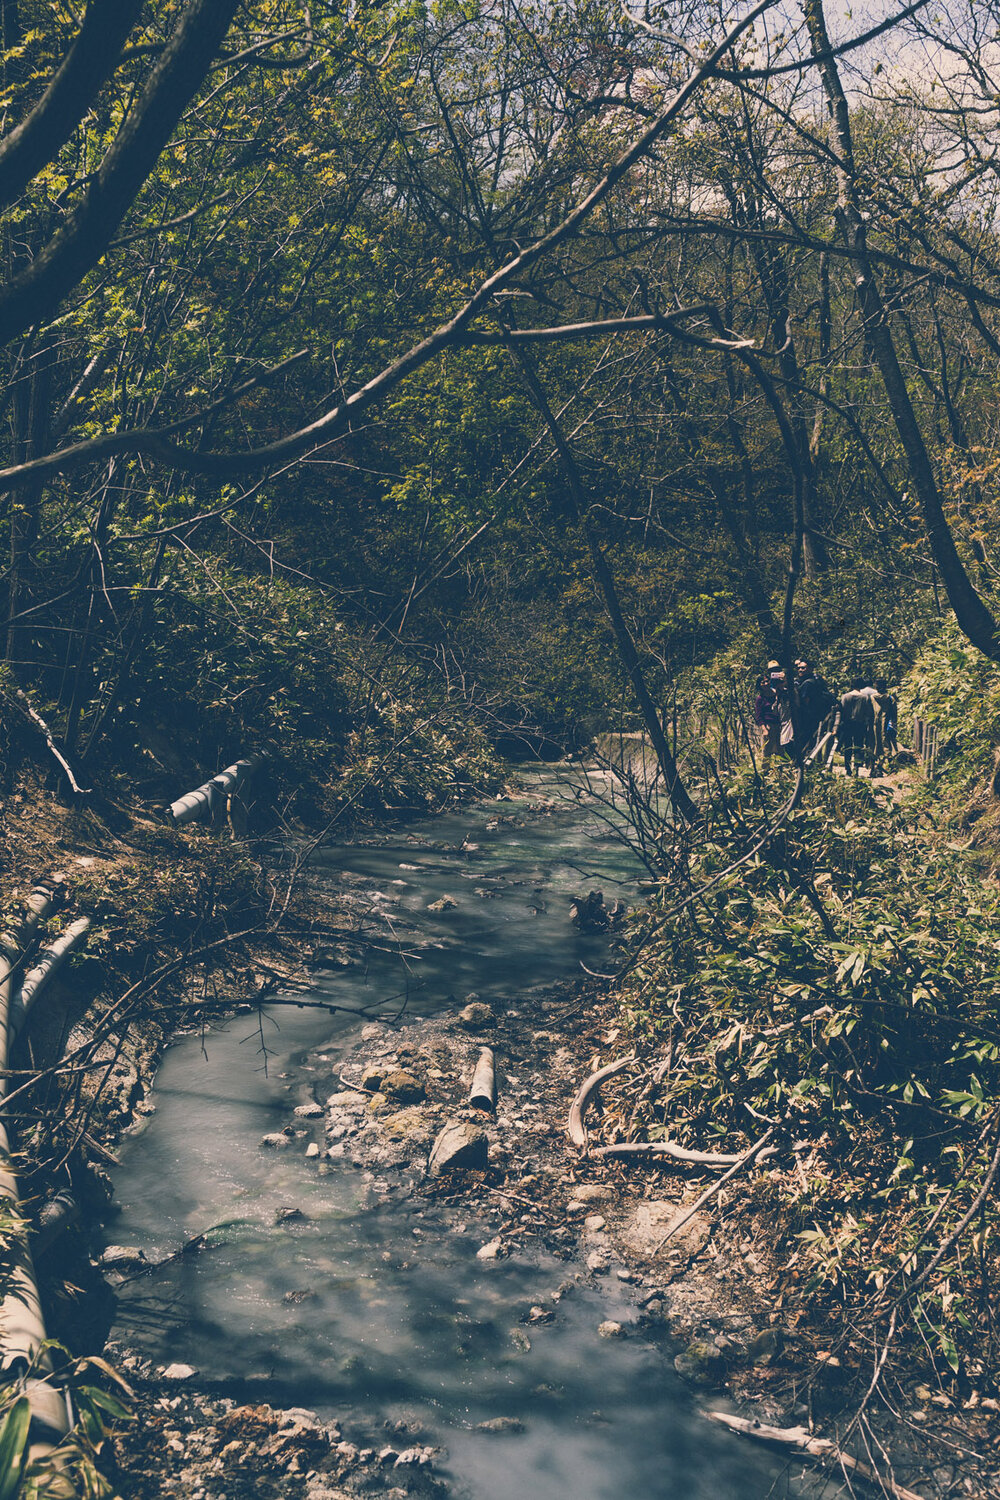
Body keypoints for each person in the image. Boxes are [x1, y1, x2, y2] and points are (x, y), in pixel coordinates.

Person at [835, 678, 877, 775]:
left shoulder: (845, 697)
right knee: (858, 745)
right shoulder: (865, 697)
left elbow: (842, 710)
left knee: (848, 745)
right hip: (860, 724)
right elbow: (868, 712)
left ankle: (847, 767)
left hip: (847, 724)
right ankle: (857, 767)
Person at [796, 659, 836, 754]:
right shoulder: (818, 680)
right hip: (817, 715)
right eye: (798, 668)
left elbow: (806, 701)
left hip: (807, 717)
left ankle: (804, 761)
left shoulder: (807, 683)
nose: (800, 670)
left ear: (810, 669)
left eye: (803, 668)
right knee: (812, 739)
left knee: (805, 739)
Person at [753, 674, 781, 760]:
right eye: (763, 682)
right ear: (759, 685)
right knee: (767, 750)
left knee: (780, 749)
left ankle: (781, 770)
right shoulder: (760, 699)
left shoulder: (777, 693)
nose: (766, 684)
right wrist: (764, 729)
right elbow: (759, 716)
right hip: (769, 726)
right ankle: (766, 770)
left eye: (767, 681)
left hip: (780, 724)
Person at [875, 677, 898, 758]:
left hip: (874, 725)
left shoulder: (871, 698)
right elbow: (894, 714)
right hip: (888, 725)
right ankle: (889, 761)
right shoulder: (891, 699)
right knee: (888, 744)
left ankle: (874, 763)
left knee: (875, 744)